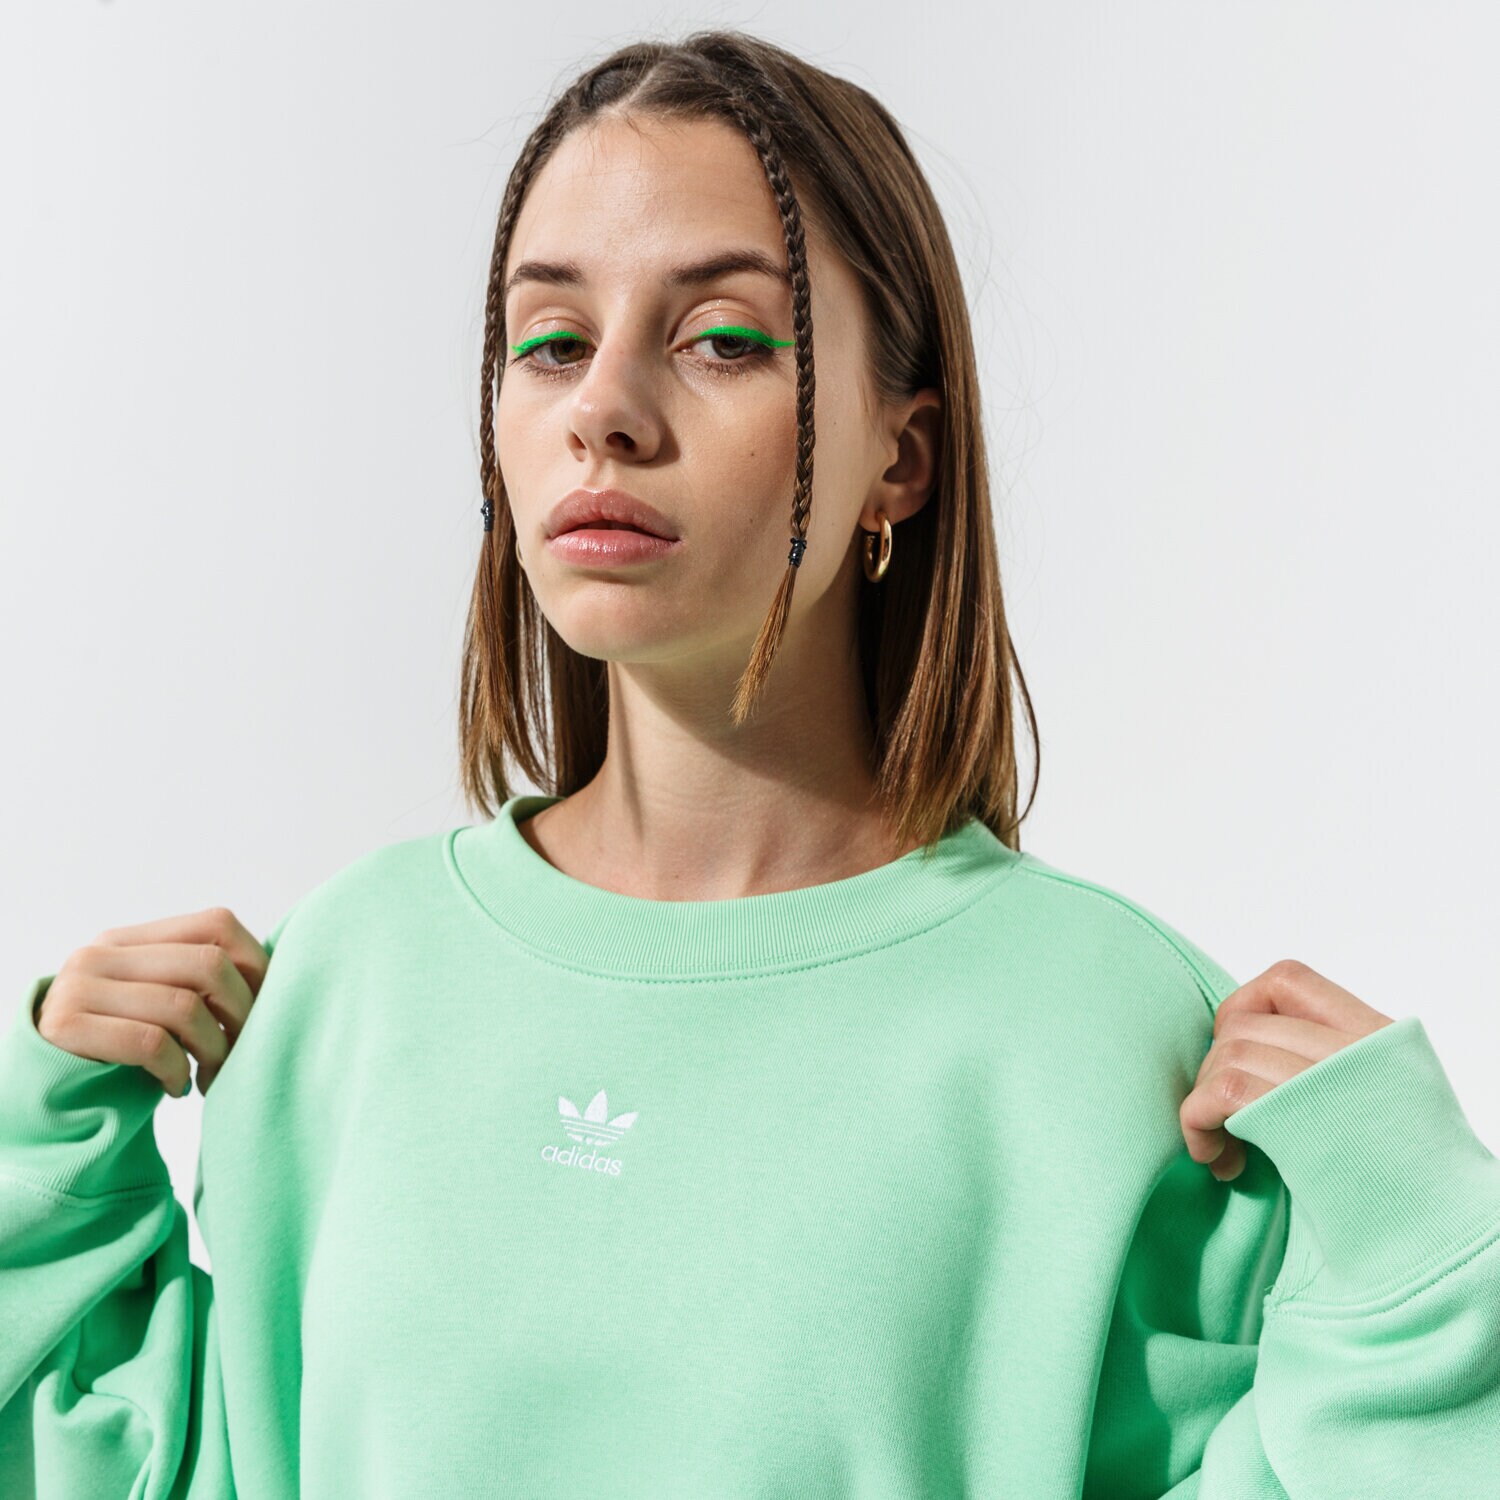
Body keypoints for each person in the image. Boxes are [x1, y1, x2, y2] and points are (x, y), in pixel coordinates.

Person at [3, 27, 1497, 1500]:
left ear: (899, 459)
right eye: (550, 343)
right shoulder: (348, 976)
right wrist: (41, 1146)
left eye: (722, 338)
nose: (602, 411)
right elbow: (136, 1467)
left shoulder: (1114, 1039)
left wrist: (1427, 1255)